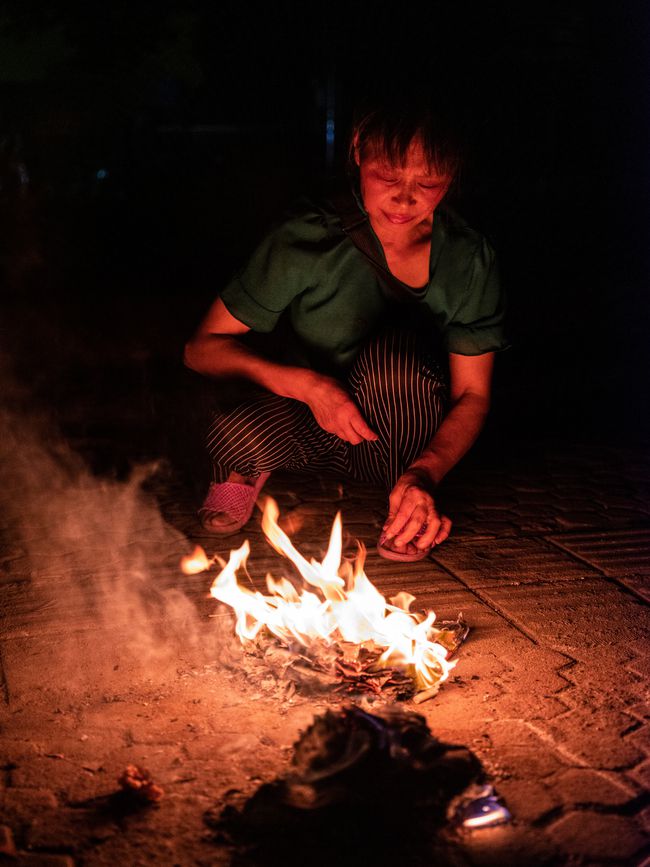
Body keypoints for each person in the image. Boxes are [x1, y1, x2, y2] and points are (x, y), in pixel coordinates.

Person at [183, 102, 507, 561]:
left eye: (428, 183)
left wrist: (425, 474)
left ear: (452, 177)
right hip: (304, 417)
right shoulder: (309, 236)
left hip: (395, 428)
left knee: (393, 361)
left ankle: (406, 500)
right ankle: (247, 469)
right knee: (229, 429)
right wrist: (308, 386)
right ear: (358, 150)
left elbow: (473, 395)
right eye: (389, 177)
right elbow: (200, 350)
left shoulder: (468, 257)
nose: (403, 199)